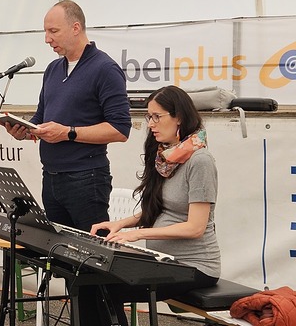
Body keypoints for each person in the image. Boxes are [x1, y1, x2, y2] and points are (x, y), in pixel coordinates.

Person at [1, 0, 131, 320]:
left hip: (86, 179)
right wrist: (25, 131)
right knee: (70, 268)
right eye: (45, 31)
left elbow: (120, 129)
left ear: (76, 28)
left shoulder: (104, 68)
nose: (47, 38)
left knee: (93, 269)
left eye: (53, 31)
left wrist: (69, 133)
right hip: (53, 180)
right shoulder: (53, 69)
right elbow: (43, 119)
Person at [90, 85, 220, 326]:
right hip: (164, 259)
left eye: (157, 117)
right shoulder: (166, 157)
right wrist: (121, 223)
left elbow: (195, 228)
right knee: (93, 279)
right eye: (149, 116)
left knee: (106, 286)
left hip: (196, 267)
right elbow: (159, 209)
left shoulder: (200, 161)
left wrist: (137, 235)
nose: (150, 123)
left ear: (179, 116)